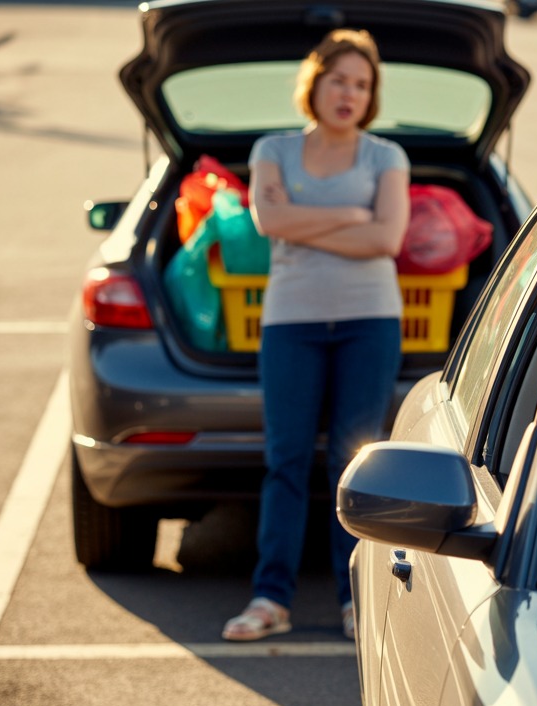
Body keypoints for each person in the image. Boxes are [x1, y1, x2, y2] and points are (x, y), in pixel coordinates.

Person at [222, 28, 410, 642]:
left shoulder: (386, 157)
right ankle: (270, 598)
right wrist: (350, 216)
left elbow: (386, 241)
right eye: (339, 80)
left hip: (369, 320)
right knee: (286, 460)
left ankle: (356, 598)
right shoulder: (272, 148)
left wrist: (301, 226)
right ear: (315, 83)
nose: (349, 93)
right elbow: (266, 219)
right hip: (291, 322)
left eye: (361, 84)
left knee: (351, 463)